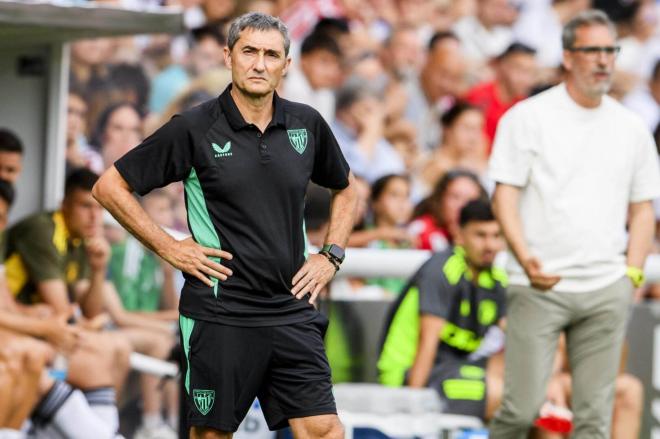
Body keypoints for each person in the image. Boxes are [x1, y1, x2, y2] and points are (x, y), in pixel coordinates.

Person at [93, 12, 357, 438]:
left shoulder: (306, 123)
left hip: (291, 308)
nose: (259, 63)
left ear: (286, 65)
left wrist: (332, 255)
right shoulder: (194, 127)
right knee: (213, 436)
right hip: (221, 310)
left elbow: (348, 189)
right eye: (249, 51)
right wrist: (169, 246)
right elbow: (110, 187)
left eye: (272, 54)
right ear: (228, 56)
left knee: (325, 429)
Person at [488, 10, 660, 438]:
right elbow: (503, 195)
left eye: (610, 50)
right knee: (522, 410)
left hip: (606, 287)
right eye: (592, 50)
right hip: (539, 283)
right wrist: (525, 260)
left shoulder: (632, 126)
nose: (603, 60)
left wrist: (632, 273)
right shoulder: (527, 117)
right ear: (567, 56)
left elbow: (643, 209)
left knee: (594, 420)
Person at [3, 169, 132, 437]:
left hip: (31, 327)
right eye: (86, 206)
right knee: (96, 352)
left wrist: (98, 270)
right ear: (64, 204)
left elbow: (88, 309)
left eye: (99, 208)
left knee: (111, 350)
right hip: (29, 331)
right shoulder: (43, 230)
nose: (94, 216)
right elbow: (66, 312)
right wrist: (79, 323)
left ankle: (103, 433)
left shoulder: (82, 238)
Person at [378, 199, 506, 420]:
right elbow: (426, 343)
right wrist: (412, 413)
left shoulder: (496, 279)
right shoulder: (443, 270)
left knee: (532, 392)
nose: (490, 246)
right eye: (480, 235)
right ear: (459, 234)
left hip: (454, 369)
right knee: (501, 395)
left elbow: (517, 335)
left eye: (496, 236)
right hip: (408, 375)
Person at [464, 42, 538, 151]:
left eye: (531, 72)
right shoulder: (478, 96)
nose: (526, 79)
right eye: (520, 70)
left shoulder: (525, 107)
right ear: (503, 66)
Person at [410, 169, 487, 252]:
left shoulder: (490, 233)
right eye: (455, 197)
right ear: (440, 198)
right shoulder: (420, 231)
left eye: (470, 200)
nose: (462, 205)